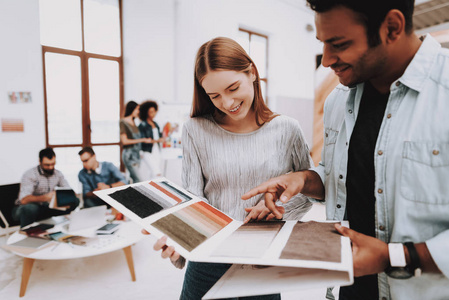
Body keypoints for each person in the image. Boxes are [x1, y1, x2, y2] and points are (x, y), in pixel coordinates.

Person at [242, 1, 449, 299]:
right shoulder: (338, 100)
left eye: (338, 44)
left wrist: (395, 257)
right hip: (347, 289)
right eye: (323, 44)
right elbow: (338, 173)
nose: (325, 60)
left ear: (392, 27)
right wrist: (302, 179)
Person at [151, 37, 313, 300]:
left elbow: (310, 191)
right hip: (207, 258)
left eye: (233, 88)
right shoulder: (195, 129)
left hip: (262, 257)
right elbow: (194, 198)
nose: (227, 103)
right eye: (214, 95)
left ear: (251, 72)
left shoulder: (287, 129)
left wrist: (277, 211)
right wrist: (180, 241)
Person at [12, 147, 79, 228]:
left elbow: (68, 189)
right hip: (24, 209)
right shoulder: (30, 174)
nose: (50, 167)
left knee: (75, 201)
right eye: (47, 165)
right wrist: (46, 197)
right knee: (30, 208)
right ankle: (27, 234)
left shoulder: (57, 174)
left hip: (47, 206)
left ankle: (63, 228)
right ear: (40, 162)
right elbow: (24, 200)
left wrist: (69, 195)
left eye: (53, 164)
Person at [120, 101, 152, 183]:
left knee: (134, 180)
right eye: (137, 109)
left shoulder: (134, 122)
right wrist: (142, 140)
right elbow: (125, 141)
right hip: (129, 155)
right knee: (138, 180)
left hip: (136, 155)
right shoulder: (123, 122)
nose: (138, 111)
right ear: (132, 109)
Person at [138, 100, 164, 178]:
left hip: (156, 150)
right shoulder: (142, 125)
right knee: (157, 172)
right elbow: (143, 140)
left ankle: (151, 188)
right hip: (147, 151)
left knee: (152, 172)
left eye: (154, 111)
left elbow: (159, 136)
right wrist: (157, 140)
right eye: (150, 112)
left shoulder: (155, 124)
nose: (153, 114)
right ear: (146, 113)